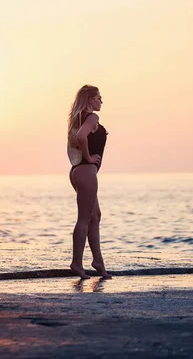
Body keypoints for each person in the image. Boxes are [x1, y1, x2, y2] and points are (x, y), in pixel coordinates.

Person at [68, 84, 111, 279]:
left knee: (95, 216)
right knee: (84, 218)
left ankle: (98, 262)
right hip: (86, 171)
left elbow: (77, 137)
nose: (101, 101)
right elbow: (81, 137)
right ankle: (76, 263)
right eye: (99, 98)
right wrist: (89, 157)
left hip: (78, 171)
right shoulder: (92, 117)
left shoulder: (77, 118)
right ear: (90, 100)